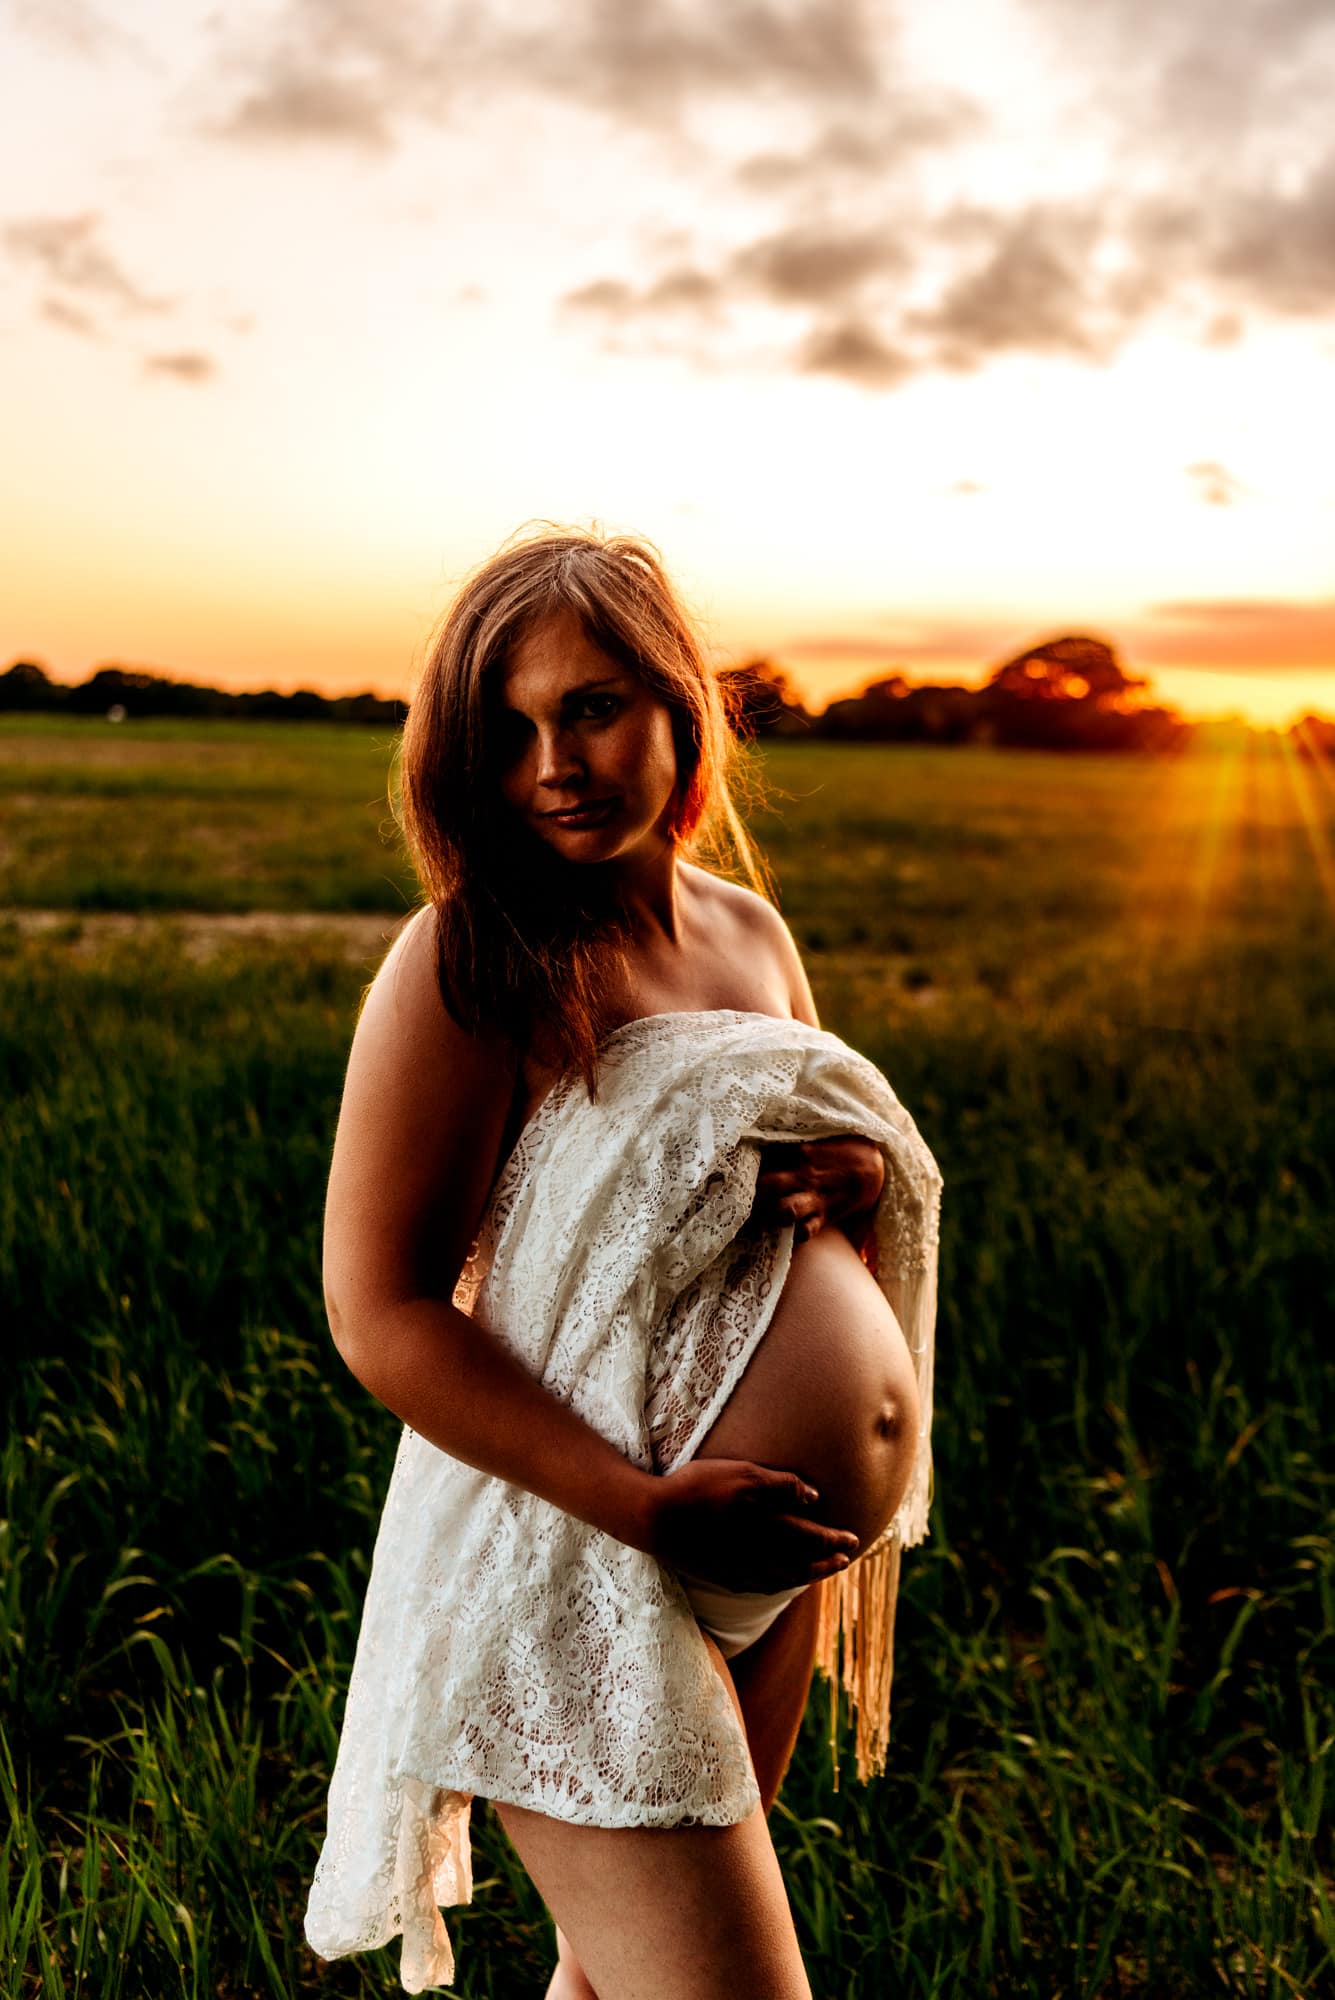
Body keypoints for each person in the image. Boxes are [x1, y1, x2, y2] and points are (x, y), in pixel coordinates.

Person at [303, 526, 943, 1997]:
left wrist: (849, 1182)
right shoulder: (473, 960)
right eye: (509, 728)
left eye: (590, 707)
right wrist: (646, 1508)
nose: (555, 762)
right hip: (587, 1550)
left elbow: (764, 1181)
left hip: (767, 1558)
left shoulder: (751, 933)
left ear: (680, 709)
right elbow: (380, 1312)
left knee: (614, 1981)